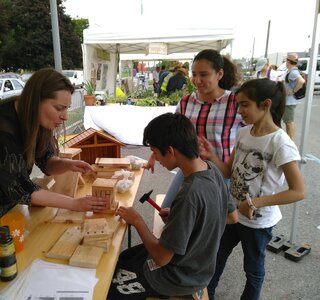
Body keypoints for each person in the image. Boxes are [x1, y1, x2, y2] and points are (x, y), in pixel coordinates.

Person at [0, 68, 108, 238]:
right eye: (59, 108)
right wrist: (75, 204)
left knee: (16, 238)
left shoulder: (34, 117)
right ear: (36, 100)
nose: (65, 117)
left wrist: (68, 165)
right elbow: (23, 191)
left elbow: (46, 162)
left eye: (66, 108)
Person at [108, 113, 235, 299]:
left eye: (155, 151)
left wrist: (138, 221)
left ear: (170, 151)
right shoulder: (211, 169)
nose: (156, 158)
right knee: (125, 258)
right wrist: (185, 220)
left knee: (107, 288)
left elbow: (161, 258)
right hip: (199, 268)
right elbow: (232, 216)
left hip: (176, 278)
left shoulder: (189, 194)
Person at [200, 78, 305, 300]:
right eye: (238, 105)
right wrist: (212, 157)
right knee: (215, 258)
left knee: (253, 271)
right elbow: (228, 172)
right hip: (232, 214)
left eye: (245, 104)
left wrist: (254, 203)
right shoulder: (243, 133)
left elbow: (298, 191)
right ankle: (205, 296)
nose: (240, 111)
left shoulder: (280, 143)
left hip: (258, 222)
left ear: (265, 104)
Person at [145, 49, 244, 211]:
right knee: (168, 212)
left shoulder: (235, 102)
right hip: (189, 170)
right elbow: (169, 132)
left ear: (219, 74)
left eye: (204, 74)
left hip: (220, 174)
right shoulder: (186, 102)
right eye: (194, 74)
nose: (197, 80)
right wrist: (154, 154)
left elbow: (251, 136)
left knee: (210, 222)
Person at [282, 52, 306, 140]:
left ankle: (290, 141)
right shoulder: (291, 71)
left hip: (289, 102)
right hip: (288, 101)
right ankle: (290, 140)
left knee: (289, 122)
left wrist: (293, 91)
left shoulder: (293, 72)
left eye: (286, 60)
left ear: (288, 61)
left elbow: (301, 81)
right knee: (288, 121)